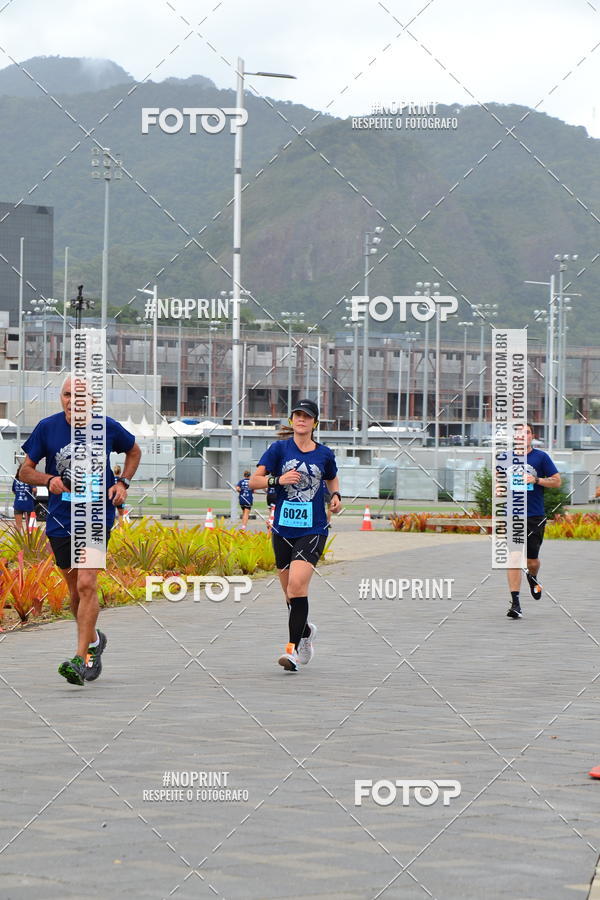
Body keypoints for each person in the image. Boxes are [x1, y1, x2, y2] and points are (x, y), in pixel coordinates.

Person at [19, 377, 141, 685]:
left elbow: (134, 451)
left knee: (87, 584)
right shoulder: (47, 428)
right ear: (60, 398)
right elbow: (25, 471)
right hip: (61, 519)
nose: (73, 400)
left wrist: (122, 483)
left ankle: (80, 657)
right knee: (74, 591)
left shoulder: (108, 427)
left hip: (97, 517)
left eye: (80, 395)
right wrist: (48, 481)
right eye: (67, 394)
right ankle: (94, 642)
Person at [249, 399, 341, 671]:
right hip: (283, 529)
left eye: (306, 416)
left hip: (314, 528)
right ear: (291, 421)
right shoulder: (278, 449)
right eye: (297, 415)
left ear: (314, 423)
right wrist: (277, 480)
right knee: (290, 595)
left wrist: (335, 495)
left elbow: (332, 478)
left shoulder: (324, 454)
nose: (301, 420)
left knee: (298, 586)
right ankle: (306, 633)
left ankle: (291, 652)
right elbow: (253, 481)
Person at [506, 422, 561, 619]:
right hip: (514, 515)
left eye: (526, 432)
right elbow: (498, 484)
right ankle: (515, 603)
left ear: (532, 436)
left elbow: (557, 481)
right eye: (519, 433)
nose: (523, 436)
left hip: (535, 515)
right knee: (513, 557)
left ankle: (533, 576)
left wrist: (536, 480)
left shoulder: (541, 457)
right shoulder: (505, 458)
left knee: (532, 560)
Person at [11, 463, 36, 531]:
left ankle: (19, 541)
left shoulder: (16, 480)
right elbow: (34, 490)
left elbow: (14, 491)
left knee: (18, 527)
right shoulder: (30, 479)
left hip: (18, 504)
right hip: (29, 505)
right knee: (30, 527)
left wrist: (20, 494)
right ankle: (29, 541)